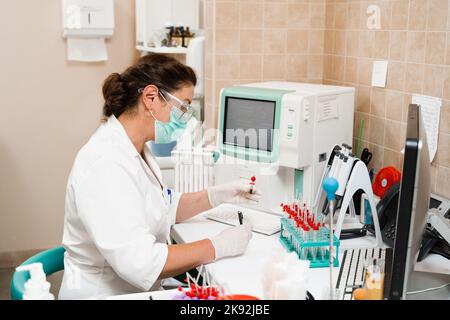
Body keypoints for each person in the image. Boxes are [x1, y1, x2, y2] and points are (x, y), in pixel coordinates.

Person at [58, 54, 261, 299]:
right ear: (151, 98)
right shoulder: (105, 164)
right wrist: (216, 246)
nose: (186, 118)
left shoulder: (137, 147)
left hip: (134, 289)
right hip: (107, 293)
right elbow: (140, 262)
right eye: (184, 106)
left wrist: (217, 195)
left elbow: (163, 204)